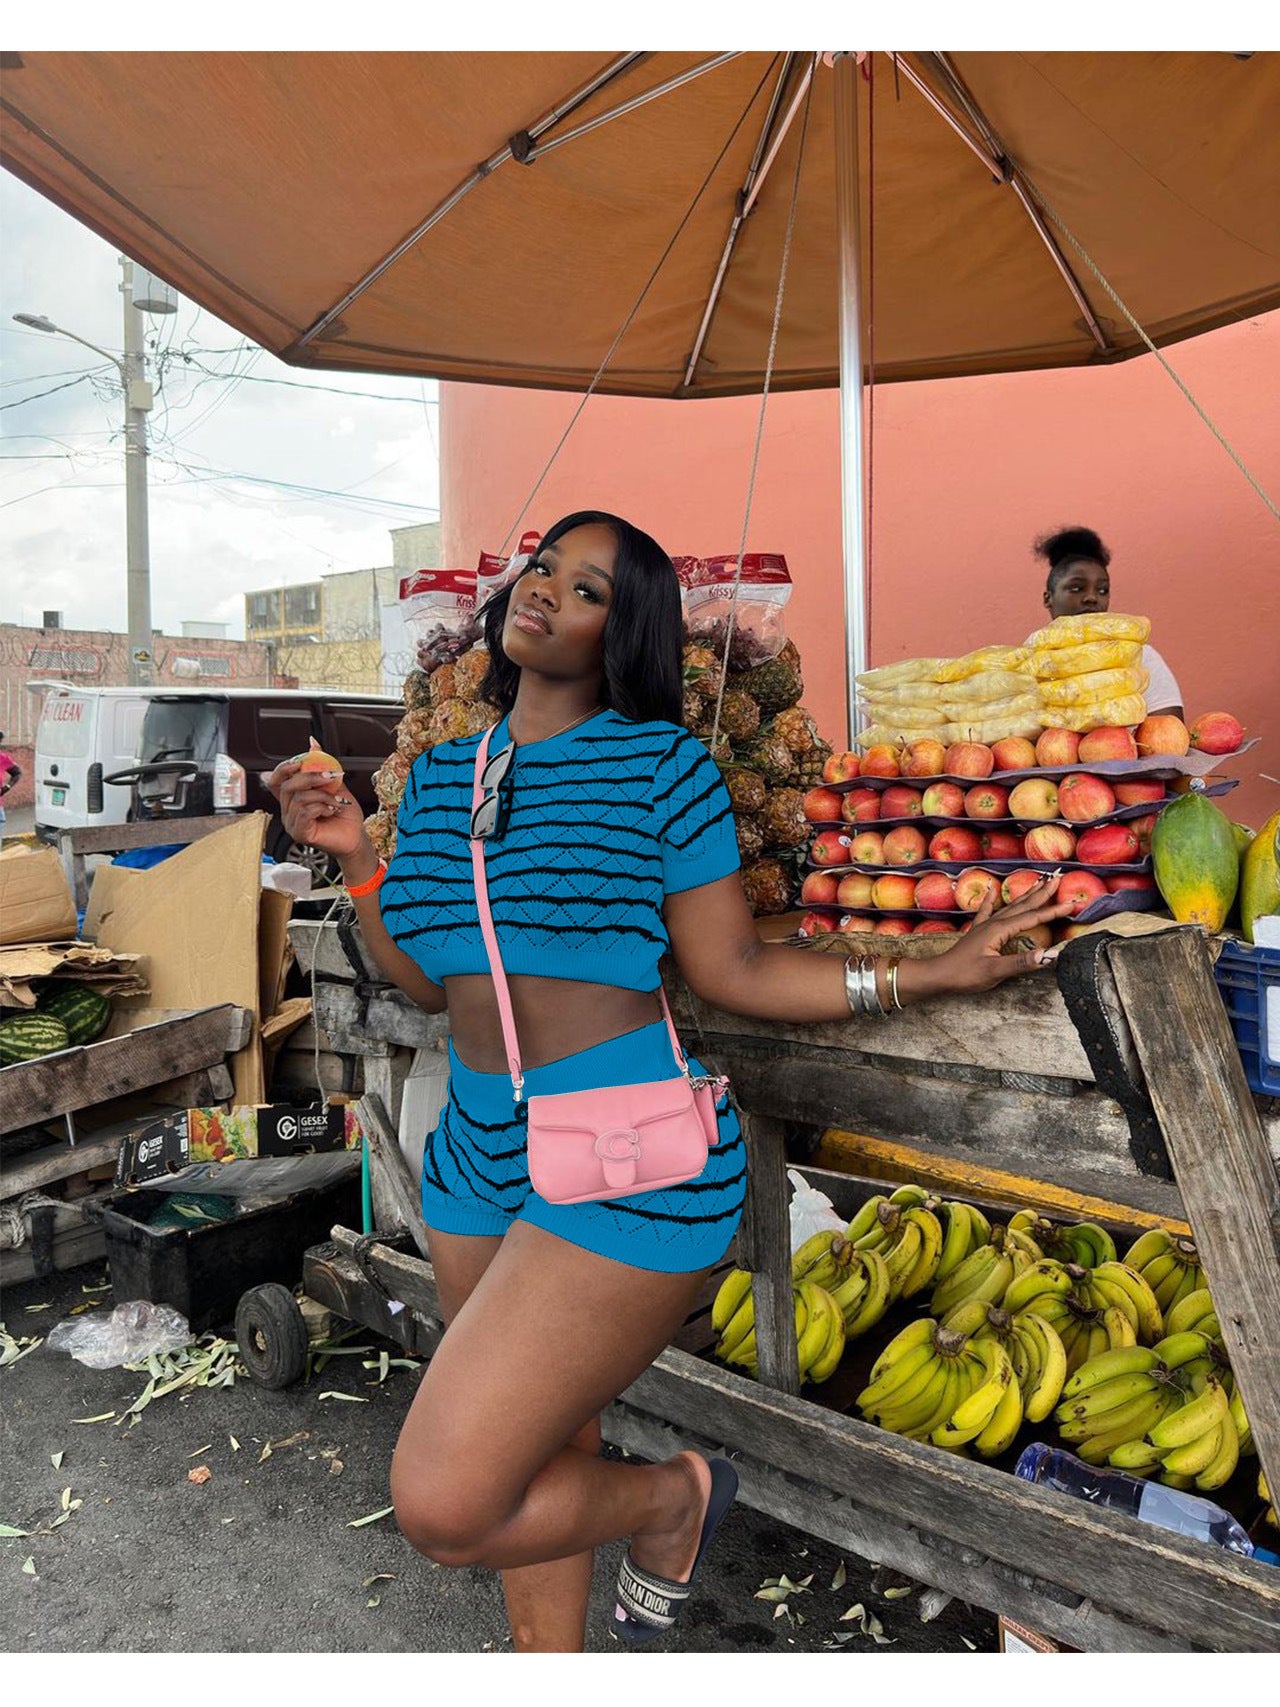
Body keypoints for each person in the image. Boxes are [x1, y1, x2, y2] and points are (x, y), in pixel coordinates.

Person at [268, 510, 1073, 1654]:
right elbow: (430, 980)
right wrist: (356, 859)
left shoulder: (665, 768)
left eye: (587, 589)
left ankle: (677, 1500)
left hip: (622, 1143)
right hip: (475, 1147)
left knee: (445, 1501)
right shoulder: (446, 776)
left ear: (622, 632)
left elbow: (733, 968)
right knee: (545, 1449)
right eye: (541, 569)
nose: (546, 592)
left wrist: (920, 974)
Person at [1032, 526, 1184, 717]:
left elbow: (1169, 731)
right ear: (1048, 598)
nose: (1092, 598)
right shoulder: (1032, 661)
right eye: (1077, 588)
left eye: (1102, 590)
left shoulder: (1138, 655)